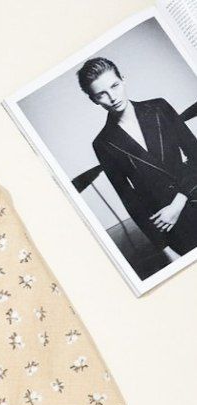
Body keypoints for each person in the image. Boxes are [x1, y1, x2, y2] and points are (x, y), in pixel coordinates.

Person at [77, 56, 197, 259]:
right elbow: (129, 199)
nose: (112, 97)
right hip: (169, 224)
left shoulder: (159, 108)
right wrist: (164, 249)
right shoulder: (103, 143)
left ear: (123, 79)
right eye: (101, 94)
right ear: (94, 100)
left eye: (114, 86)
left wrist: (179, 201)